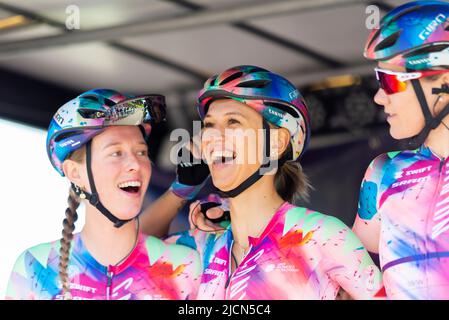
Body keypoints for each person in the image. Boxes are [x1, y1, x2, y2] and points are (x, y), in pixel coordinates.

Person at [167, 65, 384, 299]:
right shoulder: (201, 244)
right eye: (209, 125)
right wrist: (180, 191)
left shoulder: (322, 236)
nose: (211, 136)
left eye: (233, 122)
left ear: (277, 143)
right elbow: (127, 258)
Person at [5, 88, 201, 300]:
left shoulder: (185, 265)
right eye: (116, 153)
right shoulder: (34, 266)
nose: (135, 163)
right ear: (74, 172)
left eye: (141, 152)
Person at [352, 0, 449, 299]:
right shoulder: (383, 172)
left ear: (444, 83)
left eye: (390, 81)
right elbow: (340, 267)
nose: (380, 98)